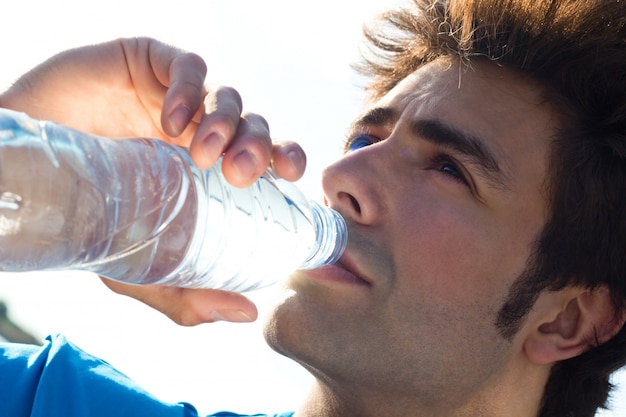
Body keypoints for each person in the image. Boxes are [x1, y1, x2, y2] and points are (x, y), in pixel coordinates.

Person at [1, 1, 626, 417]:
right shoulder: (45, 400)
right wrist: (22, 151)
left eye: (448, 169)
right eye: (364, 139)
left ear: (566, 320)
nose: (339, 176)